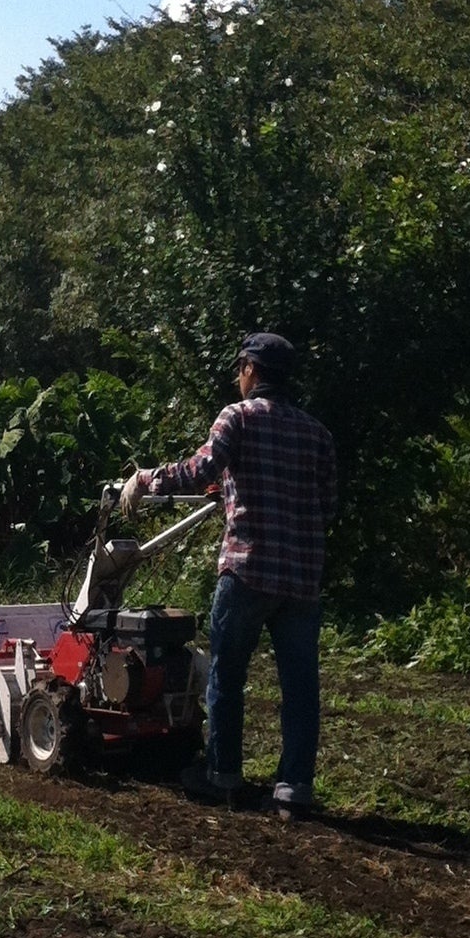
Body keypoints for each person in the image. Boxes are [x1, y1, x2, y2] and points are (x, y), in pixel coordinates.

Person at [123, 332, 338, 814]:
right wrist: (232, 491)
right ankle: (294, 789)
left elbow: (197, 470)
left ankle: (222, 774)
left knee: (226, 674)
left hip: (248, 570)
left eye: (240, 369)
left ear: (250, 370)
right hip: (302, 580)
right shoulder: (316, 433)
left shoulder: (237, 417)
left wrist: (143, 480)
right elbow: (325, 506)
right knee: (300, 687)